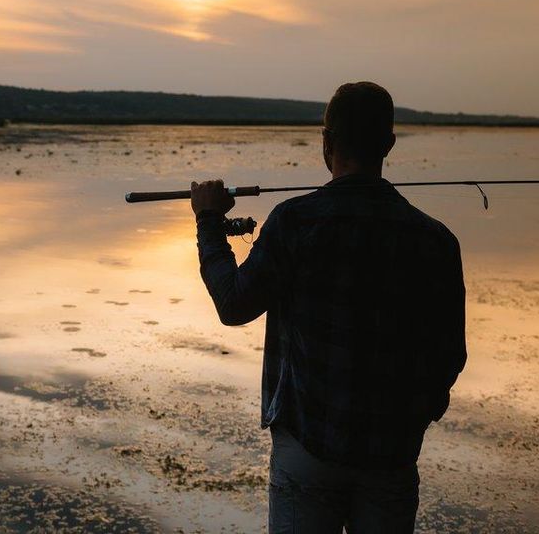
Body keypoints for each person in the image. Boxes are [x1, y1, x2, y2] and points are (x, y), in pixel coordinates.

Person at [190, 81, 466, 534]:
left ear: (327, 142)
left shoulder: (294, 222)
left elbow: (233, 304)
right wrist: (414, 417)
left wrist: (207, 221)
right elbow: (449, 356)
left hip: (306, 451)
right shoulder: (435, 240)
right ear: (388, 144)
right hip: (392, 456)